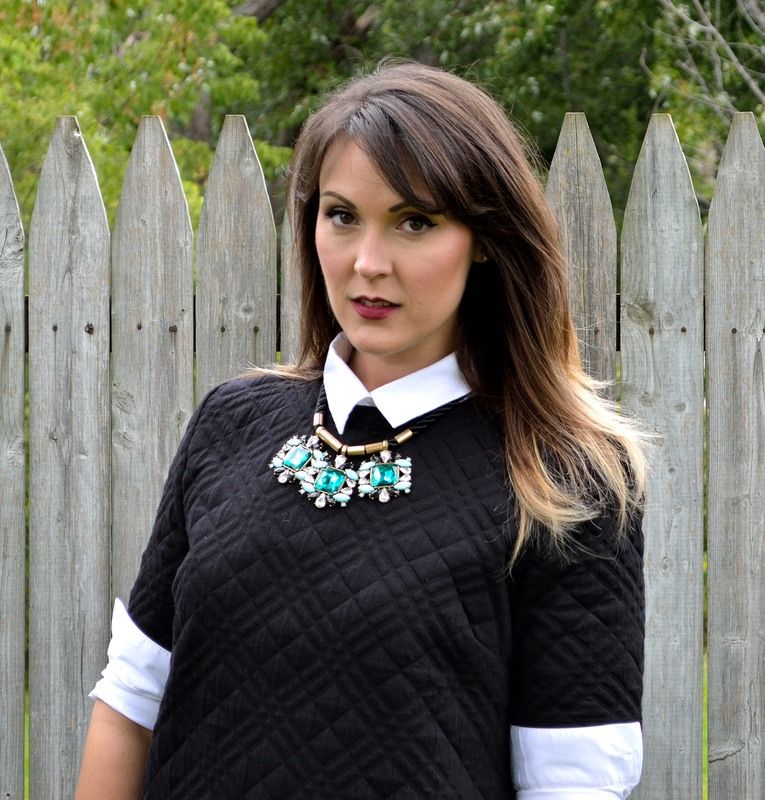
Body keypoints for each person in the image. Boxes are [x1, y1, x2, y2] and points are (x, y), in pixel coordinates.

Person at [76, 61, 647, 799]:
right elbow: (130, 703)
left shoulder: (563, 479)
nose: (366, 264)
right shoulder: (231, 423)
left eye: (415, 222)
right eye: (341, 215)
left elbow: (572, 784)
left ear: (484, 237)